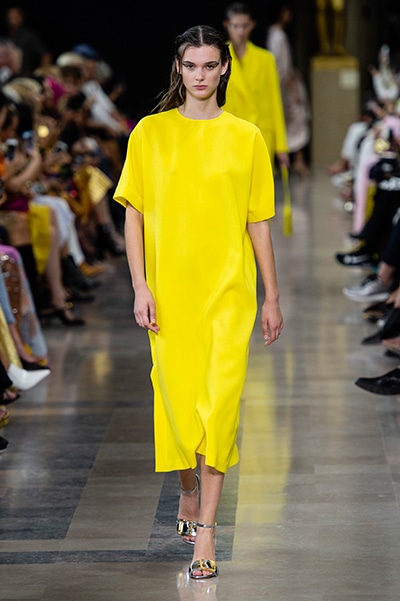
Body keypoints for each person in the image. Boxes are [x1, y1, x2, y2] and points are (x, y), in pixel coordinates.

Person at [113, 25, 283, 580]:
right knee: (176, 403)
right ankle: (186, 486)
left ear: (224, 67)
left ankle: (206, 531)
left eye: (211, 65)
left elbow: (258, 221)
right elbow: (134, 213)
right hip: (170, 293)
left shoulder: (246, 137)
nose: (201, 75)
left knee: (220, 407)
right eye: (192, 66)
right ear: (178, 68)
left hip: (228, 292)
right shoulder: (150, 133)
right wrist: (140, 285)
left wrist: (272, 296)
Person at [222, 2, 289, 170]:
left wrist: (281, 146)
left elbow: (275, 101)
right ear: (226, 25)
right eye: (235, 26)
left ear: (252, 25)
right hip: (229, 133)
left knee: (259, 183)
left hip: (260, 133)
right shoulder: (217, 58)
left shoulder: (266, 59)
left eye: (244, 26)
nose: (240, 31)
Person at [266, 2, 311, 177]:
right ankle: (297, 160)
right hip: (284, 86)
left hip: (282, 84)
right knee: (297, 118)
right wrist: (292, 90)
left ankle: (293, 160)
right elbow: (283, 68)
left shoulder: (274, 34)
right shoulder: (278, 36)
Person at [4, 4, 52, 76]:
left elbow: (46, 54)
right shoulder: (5, 37)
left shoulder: (29, 36)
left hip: (24, 76)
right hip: (6, 76)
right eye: (10, 17)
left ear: (21, 17)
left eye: (15, 17)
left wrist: (41, 73)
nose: (12, 20)